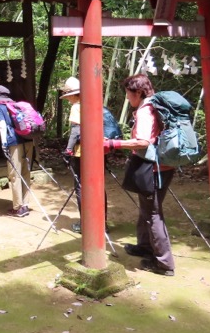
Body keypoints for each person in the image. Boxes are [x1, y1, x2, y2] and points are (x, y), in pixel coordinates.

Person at [103, 74, 175, 276]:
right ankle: (145, 246)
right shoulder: (157, 106)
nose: (127, 98)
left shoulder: (146, 111)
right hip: (162, 165)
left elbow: (143, 141)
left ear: (138, 92)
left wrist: (113, 143)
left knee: (153, 214)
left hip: (153, 168)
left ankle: (164, 263)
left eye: (128, 94)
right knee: (147, 209)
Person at [60, 76, 108, 233]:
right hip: (99, 149)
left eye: (68, 96)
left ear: (73, 95)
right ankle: (102, 223)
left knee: (80, 186)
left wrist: (68, 150)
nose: (67, 99)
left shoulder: (76, 107)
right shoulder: (94, 103)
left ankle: (86, 224)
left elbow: (75, 131)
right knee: (98, 186)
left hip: (82, 153)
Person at [0, 84, 34, 218]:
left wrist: (4, 144)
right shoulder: (17, 105)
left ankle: (18, 208)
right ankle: (25, 204)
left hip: (14, 143)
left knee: (15, 175)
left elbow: (2, 126)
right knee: (25, 172)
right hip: (28, 140)